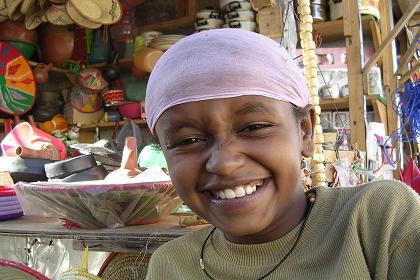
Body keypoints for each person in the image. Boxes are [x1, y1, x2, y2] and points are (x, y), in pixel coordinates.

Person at [144, 29, 420, 280]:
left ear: (305, 131)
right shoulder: (171, 266)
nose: (224, 163)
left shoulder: (380, 220)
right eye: (188, 140)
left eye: (254, 127)